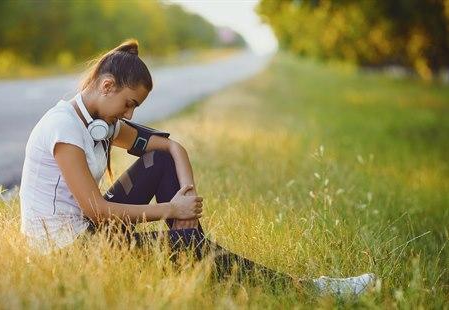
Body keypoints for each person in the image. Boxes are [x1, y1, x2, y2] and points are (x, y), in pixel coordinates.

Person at [19, 39, 375, 296]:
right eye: (128, 104)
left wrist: (186, 198)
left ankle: (190, 245)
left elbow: (171, 146)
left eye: (135, 108)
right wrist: (171, 210)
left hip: (89, 233)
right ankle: (312, 290)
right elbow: (95, 211)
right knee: (187, 243)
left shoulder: (100, 123)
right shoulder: (64, 128)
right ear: (107, 85)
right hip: (67, 251)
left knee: (159, 162)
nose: (129, 116)